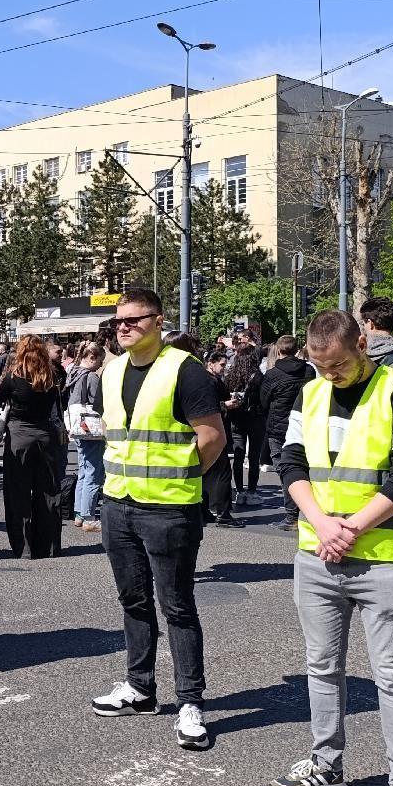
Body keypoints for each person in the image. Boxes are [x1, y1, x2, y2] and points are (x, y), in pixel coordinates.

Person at [271, 309, 393, 786]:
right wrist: (322, 523)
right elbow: (291, 463)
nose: (330, 376)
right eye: (321, 366)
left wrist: (351, 528)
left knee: (392, 675)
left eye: (339, 365)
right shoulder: (309, 391)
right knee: (321, 666)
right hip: (318, 551)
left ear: (361, 344)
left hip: (383, 553)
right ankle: (326, 765)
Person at [91, 289, 226, 753]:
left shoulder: (184, 371)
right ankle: (140, 687)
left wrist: (183, 479)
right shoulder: (111, 372)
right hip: (118, 502)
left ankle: (190, 701)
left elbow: (212, 437)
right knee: (132, 600)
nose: (123, 327)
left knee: (177, 605)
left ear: (158, 321)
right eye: (118, 322)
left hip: (169, 507)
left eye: (134, 319)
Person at [0, 334, 67, 560]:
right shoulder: (51, 376)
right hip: (45, 435)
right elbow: (57, 405)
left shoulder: (13, 377)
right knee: (48, 492)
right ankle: (48, 546)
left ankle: (23, 547)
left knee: (18, 493)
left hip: (19, 435)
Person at [261, 334, 313, 533]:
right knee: (303, 467)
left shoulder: (272, 374)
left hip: (278, 428)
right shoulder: (308, 370)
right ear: (297, 349)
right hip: (303, 425)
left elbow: (264, 401)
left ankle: (292, 515)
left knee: (285, 470)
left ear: (279, 350)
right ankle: (303, 512)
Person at [222, 333, 265, 510]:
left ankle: (239, 491)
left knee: (238, 456)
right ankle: (252, 492)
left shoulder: (231, 375)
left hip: (236, 417)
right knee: (254, 457)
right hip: (255, 418)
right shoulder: (258, 377)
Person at [200, 351, 241, 529]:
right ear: (211, 363)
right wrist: (226, 405)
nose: (224, 369)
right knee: (223, 473)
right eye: (222, 365)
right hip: (215, 431)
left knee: (208, 472)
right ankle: (223, 513)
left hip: (214, 429)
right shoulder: (208, 381)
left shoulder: (210, 380)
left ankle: (205, 510)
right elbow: (207, 405)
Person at [69, 341, 106, 532]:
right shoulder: (91, 376)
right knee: (93, 471)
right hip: (91, 429)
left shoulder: (73, 373)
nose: (101, 365)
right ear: (92, 358)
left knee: (83, 470)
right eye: (100, 360)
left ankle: (78, 513)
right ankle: (89, 516)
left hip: (77, 427)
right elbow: (99, 402)